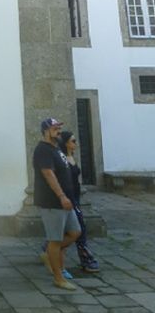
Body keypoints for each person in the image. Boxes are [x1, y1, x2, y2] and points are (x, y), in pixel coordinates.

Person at [33, 117, 81, 291]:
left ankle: (49, 255)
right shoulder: (43, 150)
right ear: (46, 131)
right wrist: (61, 196)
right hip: (52, 202)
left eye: (59, 128)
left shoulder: (55, 148)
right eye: (55, 128)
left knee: (75, 232)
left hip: (65, 202)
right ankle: (58, 278)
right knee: (55, 240)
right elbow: (48, 173)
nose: (59, 131)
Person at [56, 130, 100, 273]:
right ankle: (86, 258)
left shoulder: (71, 156)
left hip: (76, 197)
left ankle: (48, 248)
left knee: (68, 228)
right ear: (66, 143)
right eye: (73, 141)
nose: (76, 143)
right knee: (79, 227)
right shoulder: (62, 159)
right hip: (69, 198)